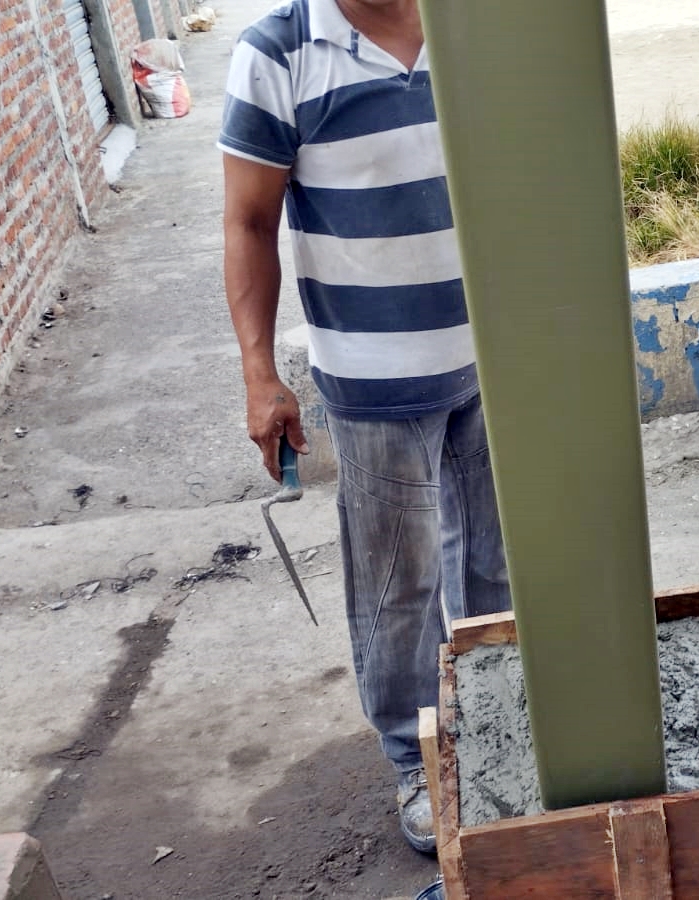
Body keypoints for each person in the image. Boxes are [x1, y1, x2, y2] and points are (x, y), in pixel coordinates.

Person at [218, 0, 511, 856]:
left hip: (496, 360)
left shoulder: (472, 26)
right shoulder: (280, 54)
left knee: (496, 562)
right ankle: (418, 759)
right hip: (374, 375)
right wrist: (259, 372)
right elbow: (247, 221)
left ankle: (499, 720)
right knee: (399, 587)